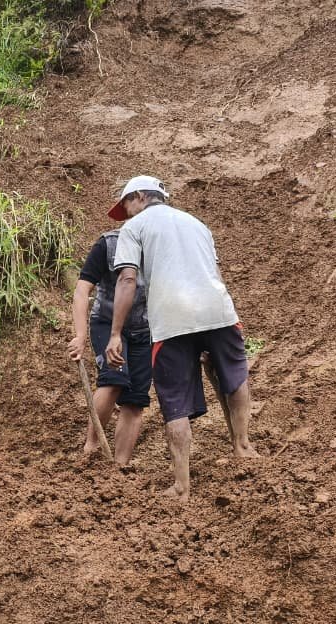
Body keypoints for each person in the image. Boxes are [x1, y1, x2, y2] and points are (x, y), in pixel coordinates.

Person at [104, 176, 258, 501]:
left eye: (127, 206)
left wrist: (115, 332)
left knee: (174, 403)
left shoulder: (134, 228)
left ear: (141, 197)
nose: (127, 214)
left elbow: (128, 279)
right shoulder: (197, 223)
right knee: (235, 375)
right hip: (217, 309)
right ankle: (243, 447)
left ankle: (181, 487)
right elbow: (213, 272)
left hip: (171, 317)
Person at [67, 228, 152, 465]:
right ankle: (91, 450)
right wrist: (81, 334)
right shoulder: (108, 243)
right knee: (114, 379)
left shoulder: (162, 243)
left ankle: (120, 468)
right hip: (107, 321)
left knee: (135, 400)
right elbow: (82, 289)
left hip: (145, 327)